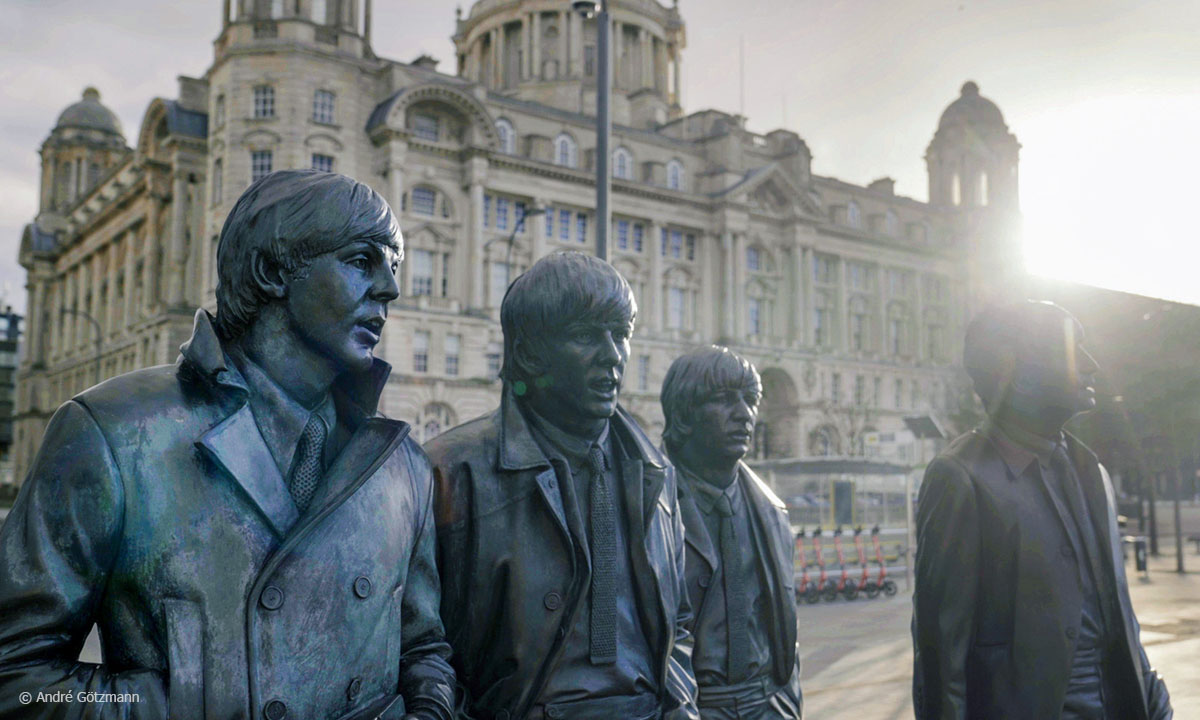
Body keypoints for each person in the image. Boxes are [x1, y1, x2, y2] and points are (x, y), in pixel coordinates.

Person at [0, 170, 456, 720]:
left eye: (394, 266)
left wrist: (429, 712)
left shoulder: (402, 465)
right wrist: (177, 706)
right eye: (362, 260)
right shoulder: (112, 431)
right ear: (272, 272)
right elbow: (17, 679)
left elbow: (425, 649)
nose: (391, 288)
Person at [426, 251, 698, 720]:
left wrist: (682, 708)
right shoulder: (449, 470)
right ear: (530, 352)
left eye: (622, 335)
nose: (613, 356)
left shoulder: (655, 473)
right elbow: (422, 650)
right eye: (587, 336)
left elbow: (678, 626)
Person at [912, 300, 1172, 720]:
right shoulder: (960, 479)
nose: (1090, 366)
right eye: (1071, 350)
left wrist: (1153, 697)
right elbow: (942, 657)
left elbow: (1118, 618)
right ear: (1019, 375)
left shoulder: (1092, 472)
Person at [660, 347, 803, 719]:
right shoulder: (645, 507)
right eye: (724, 400)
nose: (745, 414)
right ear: (684, 413)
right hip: (690, 707)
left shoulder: (772, 511)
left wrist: (787, 703)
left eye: (750, 400)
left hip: (768, 704)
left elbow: (785, 630)